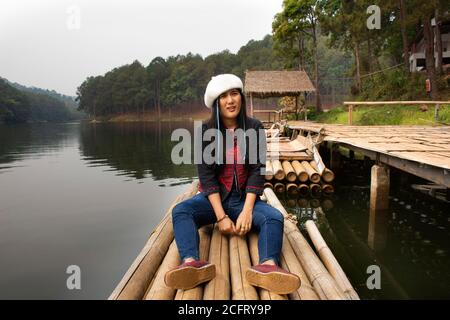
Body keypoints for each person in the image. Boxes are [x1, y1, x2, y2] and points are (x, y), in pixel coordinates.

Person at [164, 74, 300, 294]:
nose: (230, 100)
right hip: (214, 200)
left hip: (243, 199)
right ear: (217, 103)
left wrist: (247, 210)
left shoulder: (254, 127)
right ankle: (191, 263)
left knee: (273, 217)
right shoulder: (205, 132)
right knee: (181, 211)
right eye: (224, 96)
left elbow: (257, 171)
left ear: (241, 97)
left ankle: (267, 266)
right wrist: (221, 217)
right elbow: (207, 179)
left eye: (234, 93)